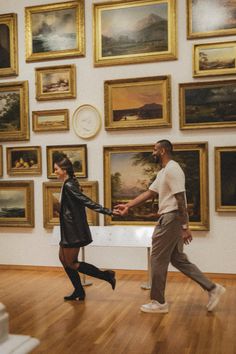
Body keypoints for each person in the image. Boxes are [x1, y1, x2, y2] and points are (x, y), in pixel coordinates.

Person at [114, 139, 225, 313]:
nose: (153, 153)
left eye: (154, 150)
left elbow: (181, 199)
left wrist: (185, 227)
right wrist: (128, 205)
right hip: (170, 219)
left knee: (157, 259)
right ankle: (212, 288)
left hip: (171, 219)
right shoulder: (164, 172)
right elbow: (149, 193)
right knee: (178, 259)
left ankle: (159, 302)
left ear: (163, 151)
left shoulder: (173, 169)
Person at [54, 154, 116, 301]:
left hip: (73, 231)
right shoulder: (68, 183)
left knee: (70, 262)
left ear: (64, 169)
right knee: (63, 259)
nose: (54, 171)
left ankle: (106, 275)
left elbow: (86, 201)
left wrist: (108, 211)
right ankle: (79, 291)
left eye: (56, 169)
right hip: (68, 230)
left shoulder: (69, 185)